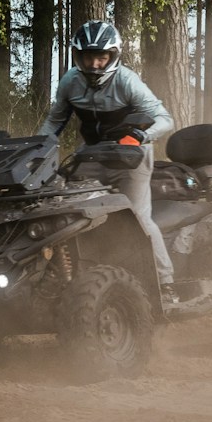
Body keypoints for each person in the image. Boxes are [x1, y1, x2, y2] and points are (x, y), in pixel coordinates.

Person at [38, 20, 177, 294]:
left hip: (131, 155)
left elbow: (165, 119)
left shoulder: (127, 81)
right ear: (79, 56)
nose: (95, 64)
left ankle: (165, 283)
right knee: (73, 213)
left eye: (101, 57)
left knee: (137, 217)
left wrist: (139, 136)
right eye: (89, 56)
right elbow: (53, 124)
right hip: (93, 155)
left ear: (113, 56)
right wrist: (36, 151)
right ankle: (75, 279)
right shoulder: (70, 82)